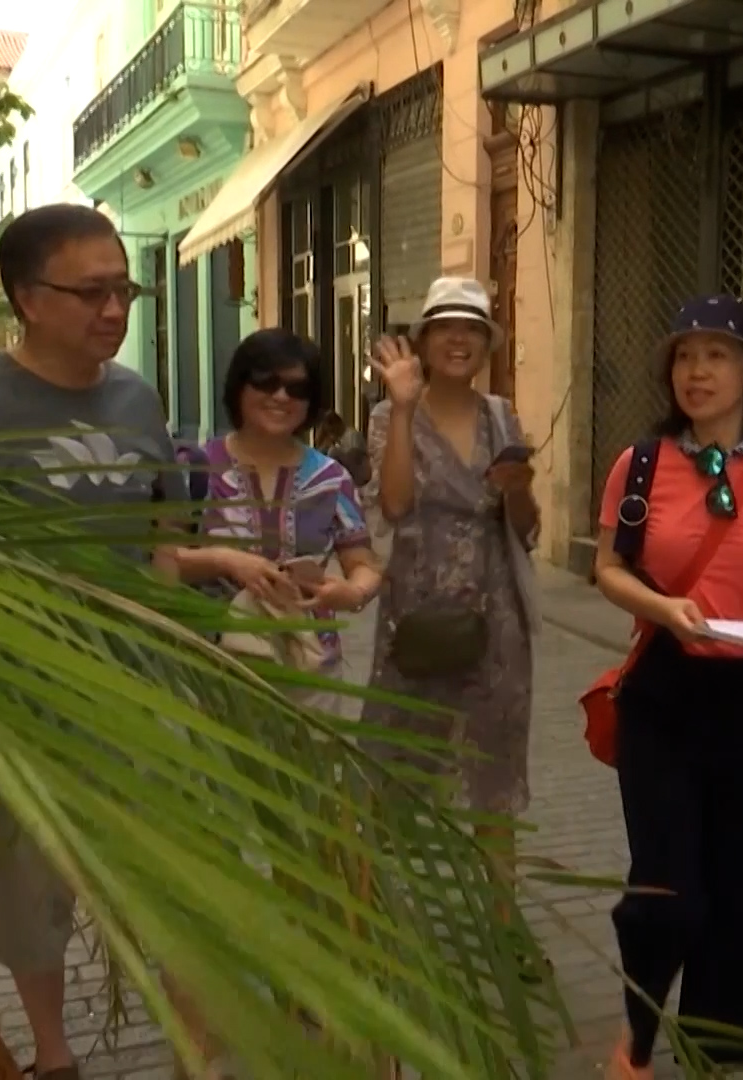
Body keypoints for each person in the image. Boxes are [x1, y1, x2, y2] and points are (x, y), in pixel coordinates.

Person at [0, 203, 189, 1080]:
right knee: (29, 886)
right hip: (18, 698)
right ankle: (53, 1052)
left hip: (138, 690)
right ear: (28, 297)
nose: (115, 310)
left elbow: (162, 526)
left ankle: (198, 1045)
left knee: (171, 874)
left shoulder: (139, 396)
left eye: (126, 289)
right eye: (92, 292)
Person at [590, 295, 743, 1078]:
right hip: (665, 693)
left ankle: (716, 1051)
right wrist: (663, 608)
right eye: (685, 355)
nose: (696, 371)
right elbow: (606, 567)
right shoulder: (638, 465)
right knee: (668, 886)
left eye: (717, 355)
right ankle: (637, 1032)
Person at [362, 277, 537, 867]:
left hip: (495, 622)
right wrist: (407, 410)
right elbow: (393, 505)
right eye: (446, 327)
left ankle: (504, 937)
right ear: (425, 339)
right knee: (394, 769)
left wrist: (519, 492)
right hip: (417, 616)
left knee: (493, 783)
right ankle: (381, 923)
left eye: (472, 329)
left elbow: (527, 529)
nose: (459, 339)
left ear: (486, 344)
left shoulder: (501, 417)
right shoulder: (391, 416)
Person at [178, 328, 381, 709]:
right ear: (239, 387)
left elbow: (365, 564)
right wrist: (224, 560)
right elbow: (161, 562)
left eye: (297, 388)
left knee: (309, 769)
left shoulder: (331, 479)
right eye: (265, 383)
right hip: (214, 668)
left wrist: (350, 593)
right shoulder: (194, 469)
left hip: (310, 670)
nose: (281, 397)